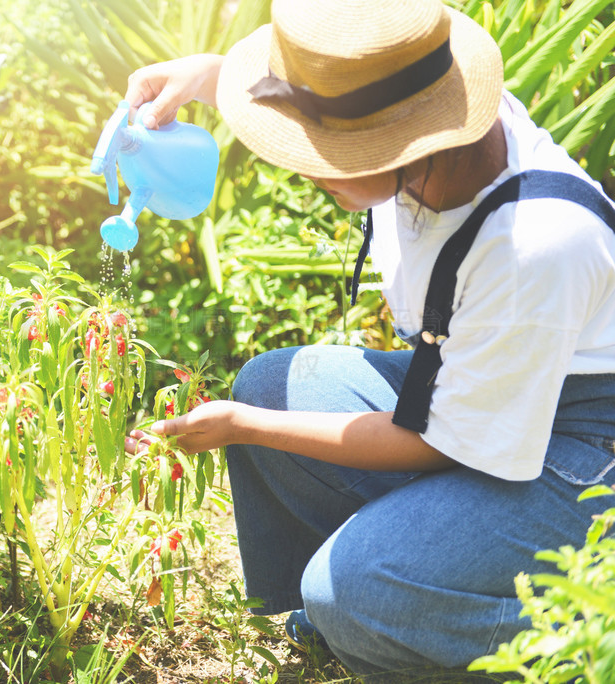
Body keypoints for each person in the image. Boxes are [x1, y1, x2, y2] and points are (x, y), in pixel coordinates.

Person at [123, 0, 615, 680]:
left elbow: (436, 439)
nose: (306, 167)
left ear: (404, 147)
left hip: (583, 456)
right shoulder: (440, 136)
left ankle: (566, 636)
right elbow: (335, 98)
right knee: (274, 385)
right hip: (489, 392)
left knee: (351, 589)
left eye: (321, 154)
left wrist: (244, 428)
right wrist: (210, 77)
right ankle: (382, 601)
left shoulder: (537, 246)